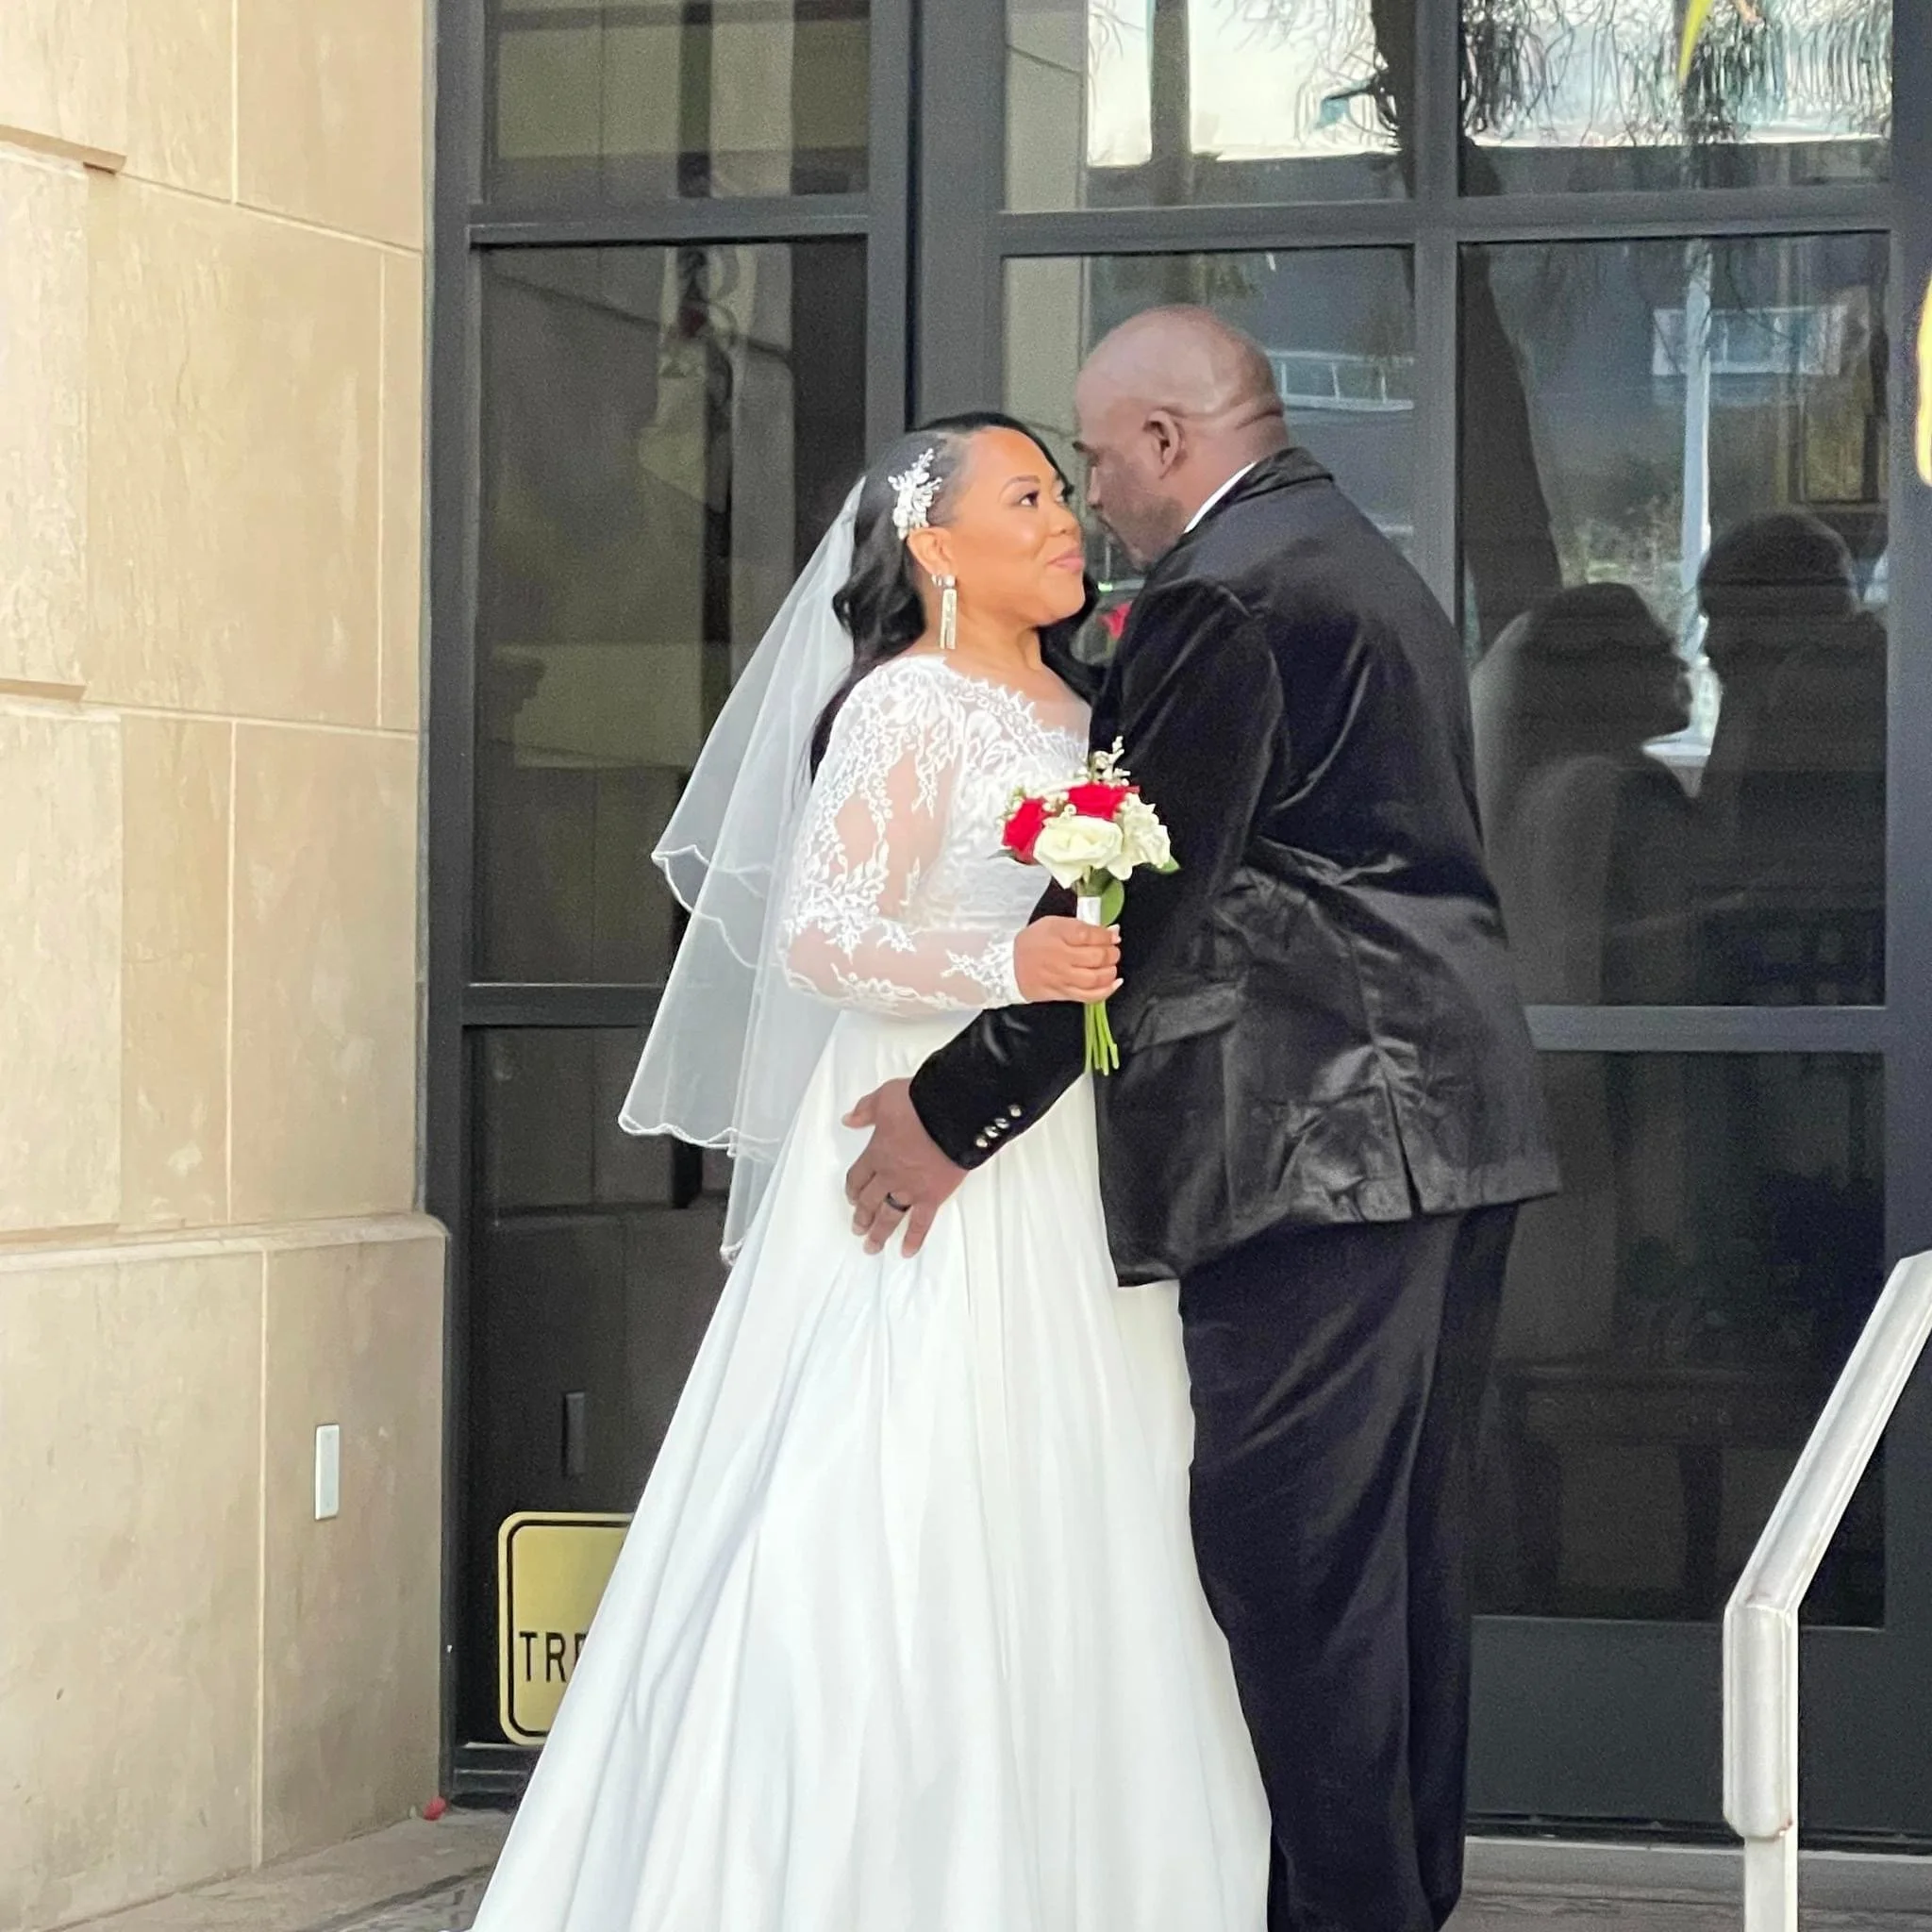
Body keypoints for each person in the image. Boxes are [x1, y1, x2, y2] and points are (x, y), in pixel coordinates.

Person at [464, 413, 1270, 1931]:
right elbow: (821, 936)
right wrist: (1007, 955)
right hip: (911, 1120)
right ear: (933, 546)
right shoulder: (906, 710)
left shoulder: (1089, 718)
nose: (1060, 521)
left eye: (1059, 493)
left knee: (1087, 1492)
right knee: (889, 1489)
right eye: (1023, 497)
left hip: (1053, 1157)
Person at [843, 309, 1557, 1932]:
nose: (1091, 497)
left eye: (1092, 461)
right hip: (1436, 1132)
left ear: (1166, 440)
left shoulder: (1229, 596)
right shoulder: (1349, 558)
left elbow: (1134, 896)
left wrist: (953, 1111)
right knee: (1393, 1577)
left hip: (1327, 1149)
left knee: (1296, 1578)